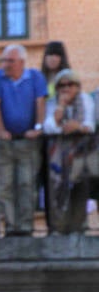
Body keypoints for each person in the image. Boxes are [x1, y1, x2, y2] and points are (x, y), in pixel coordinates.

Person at [0, 44, 48, 237]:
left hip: (28, 141)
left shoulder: (35, 76)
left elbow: (40, 102)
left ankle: (25, 227)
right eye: (4, 60)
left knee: (26, 184)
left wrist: (37, 127)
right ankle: (11, 228)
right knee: (4, 186)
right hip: (5, 142)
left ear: (22, 62)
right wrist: (0, 130)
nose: (5, 64)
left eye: (10, 61)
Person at [42, 70, 97, 234]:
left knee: (80, 188)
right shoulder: (52, 103)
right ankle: (58, 227)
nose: (66, 88)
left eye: (70, 84)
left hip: (81, 151)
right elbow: (48, 126)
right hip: (58, 153)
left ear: (77, 86)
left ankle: (78, 227)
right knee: (57, 189)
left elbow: (90, 125)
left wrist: (77, 127)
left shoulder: (86, 99)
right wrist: (60, 109)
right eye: (61, 85)